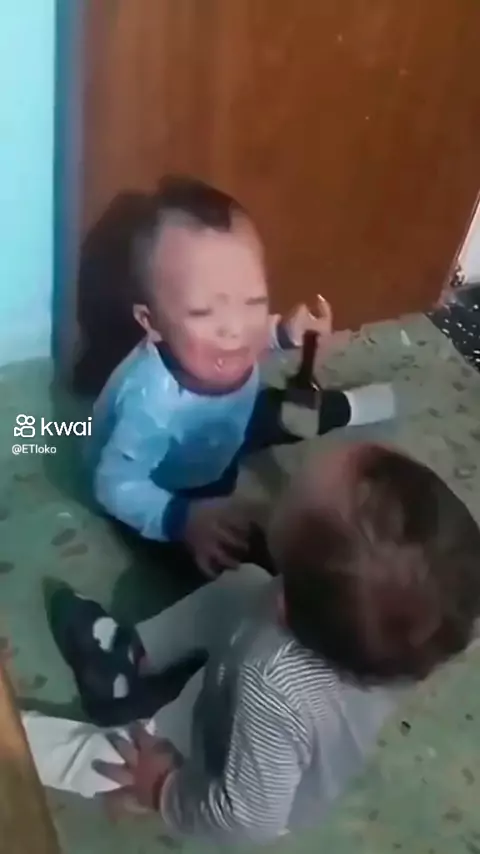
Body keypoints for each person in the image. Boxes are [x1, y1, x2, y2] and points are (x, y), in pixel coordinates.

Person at [23, 442, 480, 844]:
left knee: (116, 758)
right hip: (278, 689)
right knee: (245, 582)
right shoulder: (420, 633)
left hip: (220, 763)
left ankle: (19, 738)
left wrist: (163, 788)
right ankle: (132, 656)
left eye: (293, 491)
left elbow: (248, 819)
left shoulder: (271, 686)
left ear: (286, 604)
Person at [88, 175, 395, 577]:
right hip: (171, 484)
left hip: (228, 426)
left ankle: (356, 406)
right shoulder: (151, 405)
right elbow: (113, 484)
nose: (236, 331)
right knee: (227, 560)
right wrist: (182, 518)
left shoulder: (227, 339)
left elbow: (259, 334)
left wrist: (288, 333)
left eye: (253, 302)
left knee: (289, 410)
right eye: (203, 312)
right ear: (152, 323)